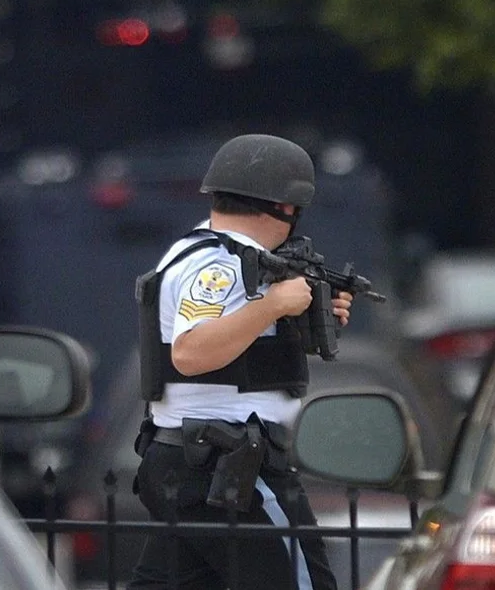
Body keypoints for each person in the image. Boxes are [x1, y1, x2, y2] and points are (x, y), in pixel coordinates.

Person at [128, 133, 352, 590]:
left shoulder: (202, 252)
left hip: (189, 461)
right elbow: (190, 353)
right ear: (284, 206)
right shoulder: (220, 264)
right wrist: (271, 306)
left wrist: (305, 318)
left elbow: (242, 356)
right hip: (229, 470)